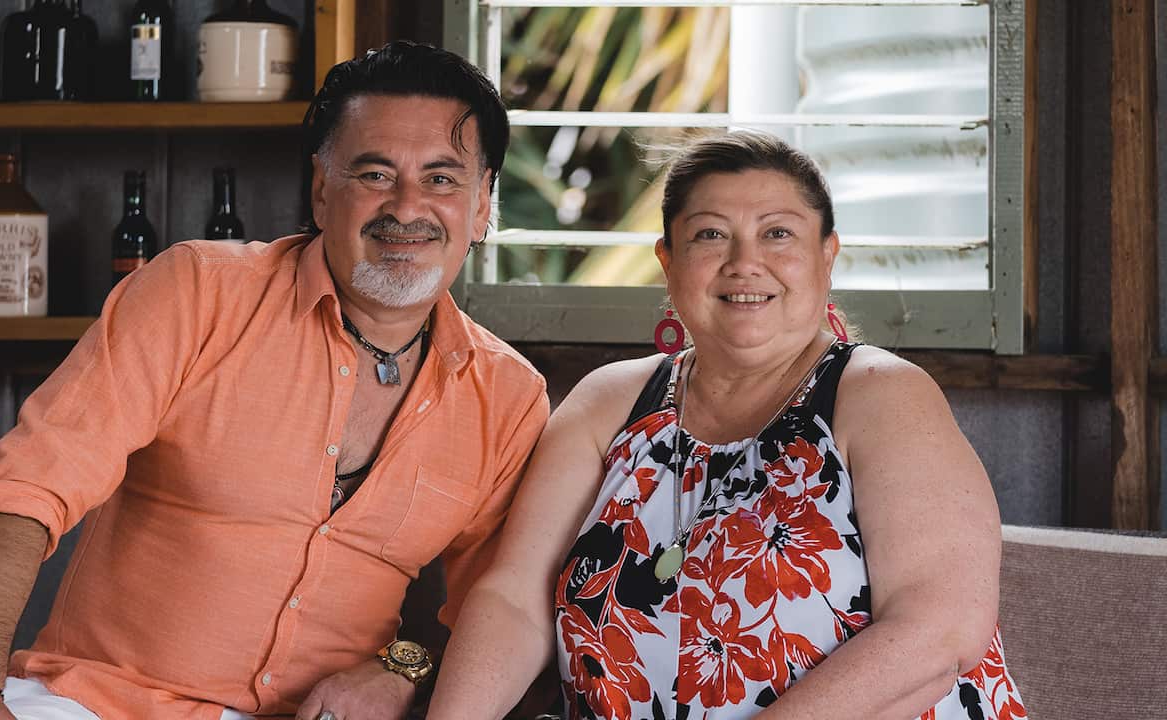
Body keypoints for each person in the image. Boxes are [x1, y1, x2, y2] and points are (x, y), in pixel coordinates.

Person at [0, 41, 549, 720]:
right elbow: (23, 490)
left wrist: (404, 669)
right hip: (99, 705)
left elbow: (499, 606)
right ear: (319, 188)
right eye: (373, 173)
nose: (406, 206)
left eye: (442, 180)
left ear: (483, 203)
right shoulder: (197, 292)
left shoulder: (507, 399)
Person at [426, 131, 1029, 720]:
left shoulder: (881, 394)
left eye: (778, 234)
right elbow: (514, 601)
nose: (746, 263)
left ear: (827, 255)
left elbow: (939, 633)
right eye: (711, 235)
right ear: (667, 260)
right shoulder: (609, 402)